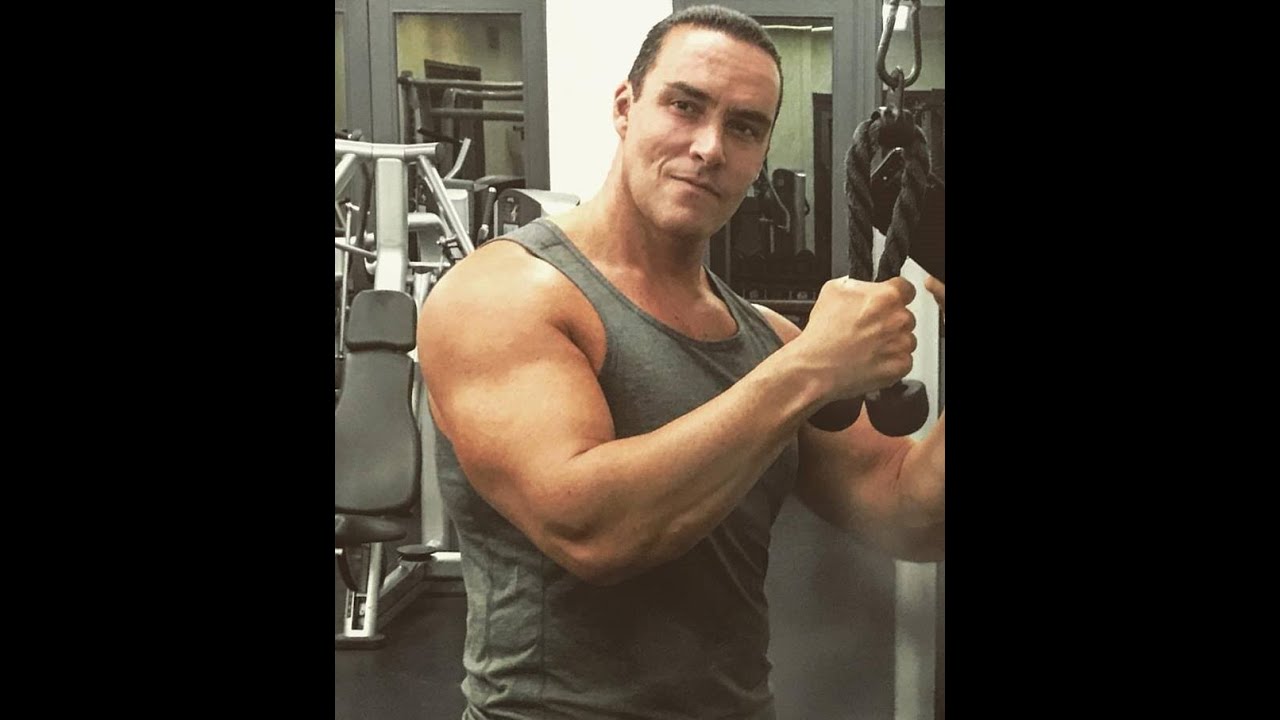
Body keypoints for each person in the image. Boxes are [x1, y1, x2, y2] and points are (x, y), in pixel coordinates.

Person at [418, 5, 944, 719]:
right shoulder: (502, 294)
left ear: (761, 155)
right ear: (625, 107)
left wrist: (806, 363)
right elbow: (592, 530)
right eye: (684, 106)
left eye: (745, 127)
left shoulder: (764, 338)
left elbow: (912, 515)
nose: (709, 147)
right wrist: (811, 368)